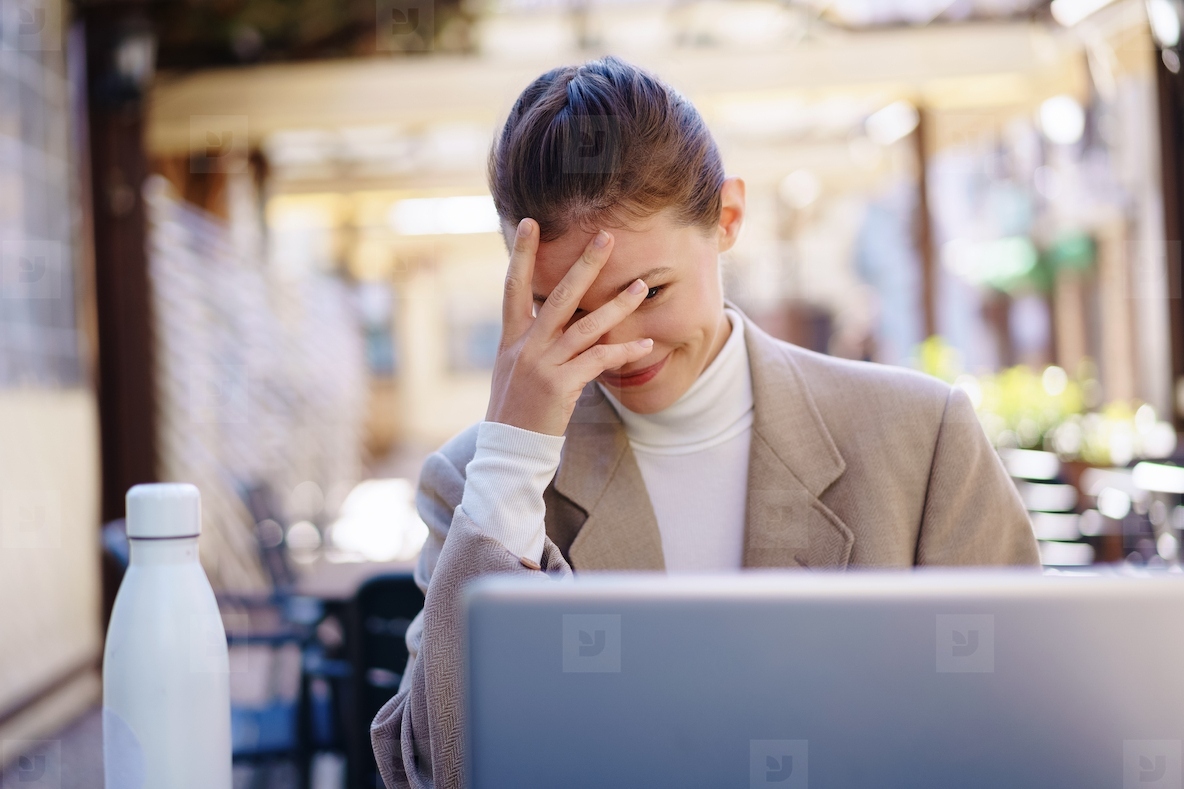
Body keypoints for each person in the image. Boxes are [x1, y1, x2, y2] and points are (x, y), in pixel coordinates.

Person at [371, 54, 1040, 789]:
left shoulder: (921, 438)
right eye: (565, 312)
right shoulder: (475, 480)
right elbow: (439, 771)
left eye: (648, 292)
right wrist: (510, 464)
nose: (621, 346)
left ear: (727, 219)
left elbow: (1021, 729)